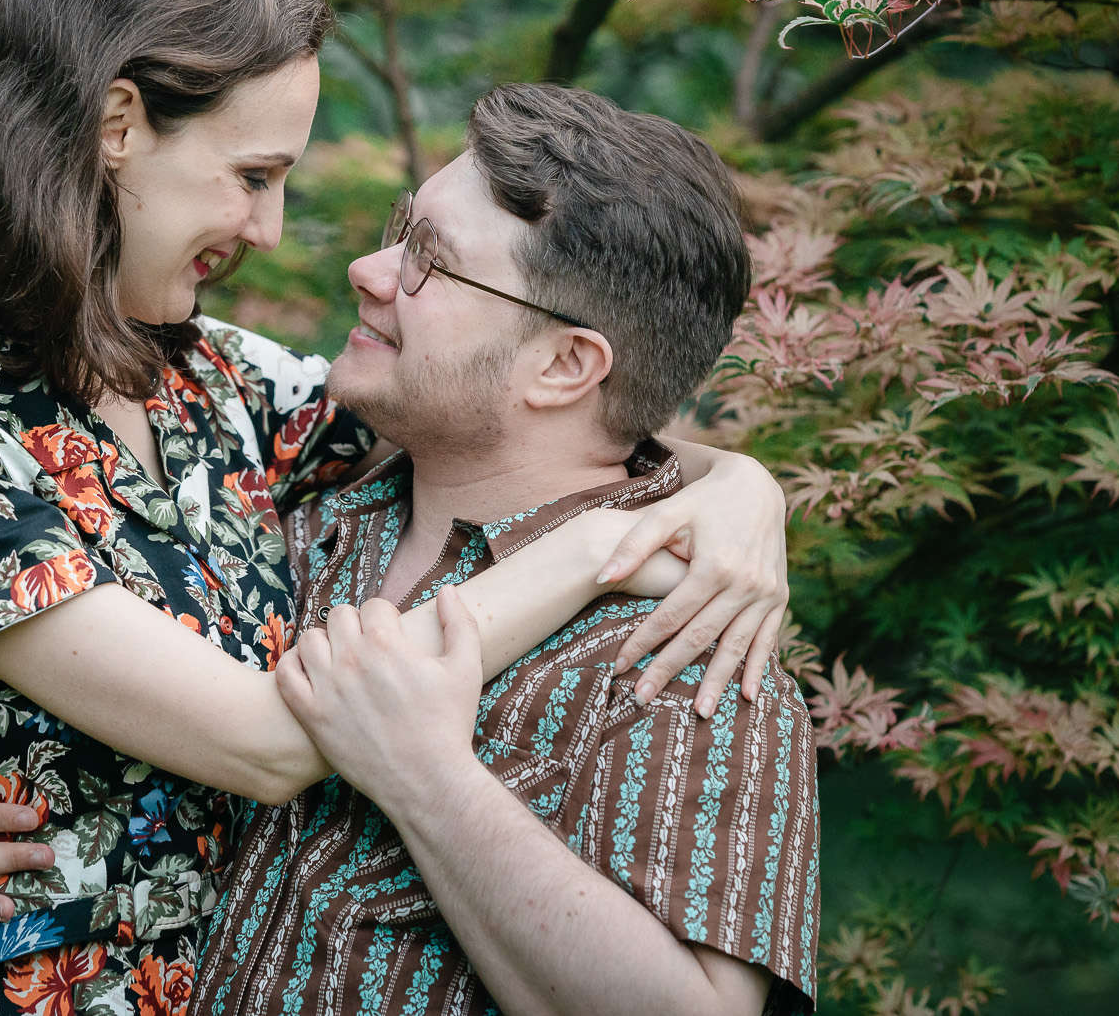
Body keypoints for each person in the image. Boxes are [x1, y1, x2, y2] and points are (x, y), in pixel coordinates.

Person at [0, 0, 792, 1016]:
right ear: (117, 125)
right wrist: (600, 553)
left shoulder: (219, 384)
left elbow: (545, 415)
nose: (273, 231)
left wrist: (737, 488)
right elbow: (271, 743)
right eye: (251, 176)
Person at [205, 84, 819, 1016]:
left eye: (429, 262)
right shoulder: (296, 495)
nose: (370, 271)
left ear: (565, 366)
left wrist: (429, 780)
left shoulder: (684, 646)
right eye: (399, 228)